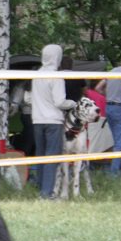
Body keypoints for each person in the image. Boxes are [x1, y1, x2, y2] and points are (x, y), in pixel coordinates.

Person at [31, 44, 76, 199]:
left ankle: (40, 185)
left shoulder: (36, 75)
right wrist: (73, 103)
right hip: (53, 121)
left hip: (37, 119)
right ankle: (47, 192)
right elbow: (59, 102)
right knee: (52, 156)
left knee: (41, 155)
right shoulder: (56, 77)